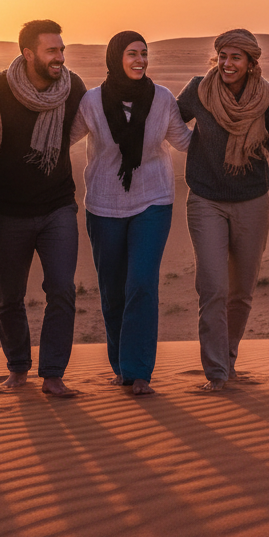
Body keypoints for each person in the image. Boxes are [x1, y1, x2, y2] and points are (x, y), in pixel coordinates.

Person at [71, 31, 191, 396]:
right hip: (104, 205)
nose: (140, 60)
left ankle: (139, 371)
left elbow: (184, 141)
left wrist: (227, 127)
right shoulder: (92, 102)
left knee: (141, 282)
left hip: (153, 200)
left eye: (144, 54)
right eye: (132, 54)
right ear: (114, 58)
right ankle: (121, 366)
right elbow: (61, 138)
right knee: (112, 289)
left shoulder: (162, 98)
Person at [177, 29, 269, 390]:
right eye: (223, 56)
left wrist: (257, 142)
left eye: (236, 58)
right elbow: (166, 121)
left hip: (252, 202)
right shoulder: (199, 89)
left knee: (241, 290)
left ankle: (228, 358)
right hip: (206, 200)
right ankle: (215, 373)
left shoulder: (265, 96)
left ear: (250, 62)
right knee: (212, 288)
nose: (228, 64)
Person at [0, 20, 86, 398]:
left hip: (57, 206)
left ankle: (54, 374)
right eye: (51, 51)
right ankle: (17, 367)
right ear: (28, 54)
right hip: (8, 210)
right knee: (8, 295)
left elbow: (85, 124)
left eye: (62, 49)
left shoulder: (72, 87)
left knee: (61, 289)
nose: (60, 57)